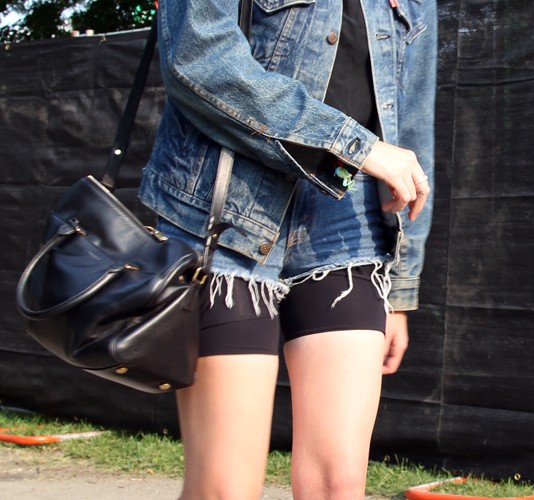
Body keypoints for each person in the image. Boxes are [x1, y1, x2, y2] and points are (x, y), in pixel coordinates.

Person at [139, 0, 437, 497]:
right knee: (225, 487)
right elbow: (197, 59)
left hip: (349, 208)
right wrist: (357, 145)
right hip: (228, 200)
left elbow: (413, 129)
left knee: (338, 484)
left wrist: (401, 293)